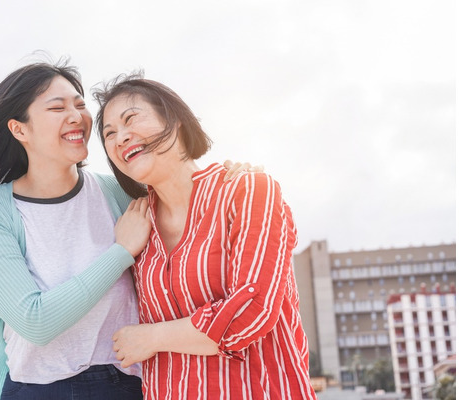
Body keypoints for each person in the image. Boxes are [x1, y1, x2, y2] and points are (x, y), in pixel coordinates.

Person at [0, 61, 254, 400]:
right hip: (41, 390)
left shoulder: (120, 193)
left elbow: (193, 226)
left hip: (133, 383)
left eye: (80, 104)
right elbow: (35, 322)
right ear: (20, 129)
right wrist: (120, 253)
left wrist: (230, 180)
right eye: (57, 107)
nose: (77, 116)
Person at [94, 75, 318, 399]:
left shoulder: (248, 189)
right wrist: (122, 250)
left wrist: (151, 338)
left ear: (176, 120)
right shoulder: (135, 228)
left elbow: (250, 312)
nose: (120, 138)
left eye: (130, 119)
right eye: (109, 134)